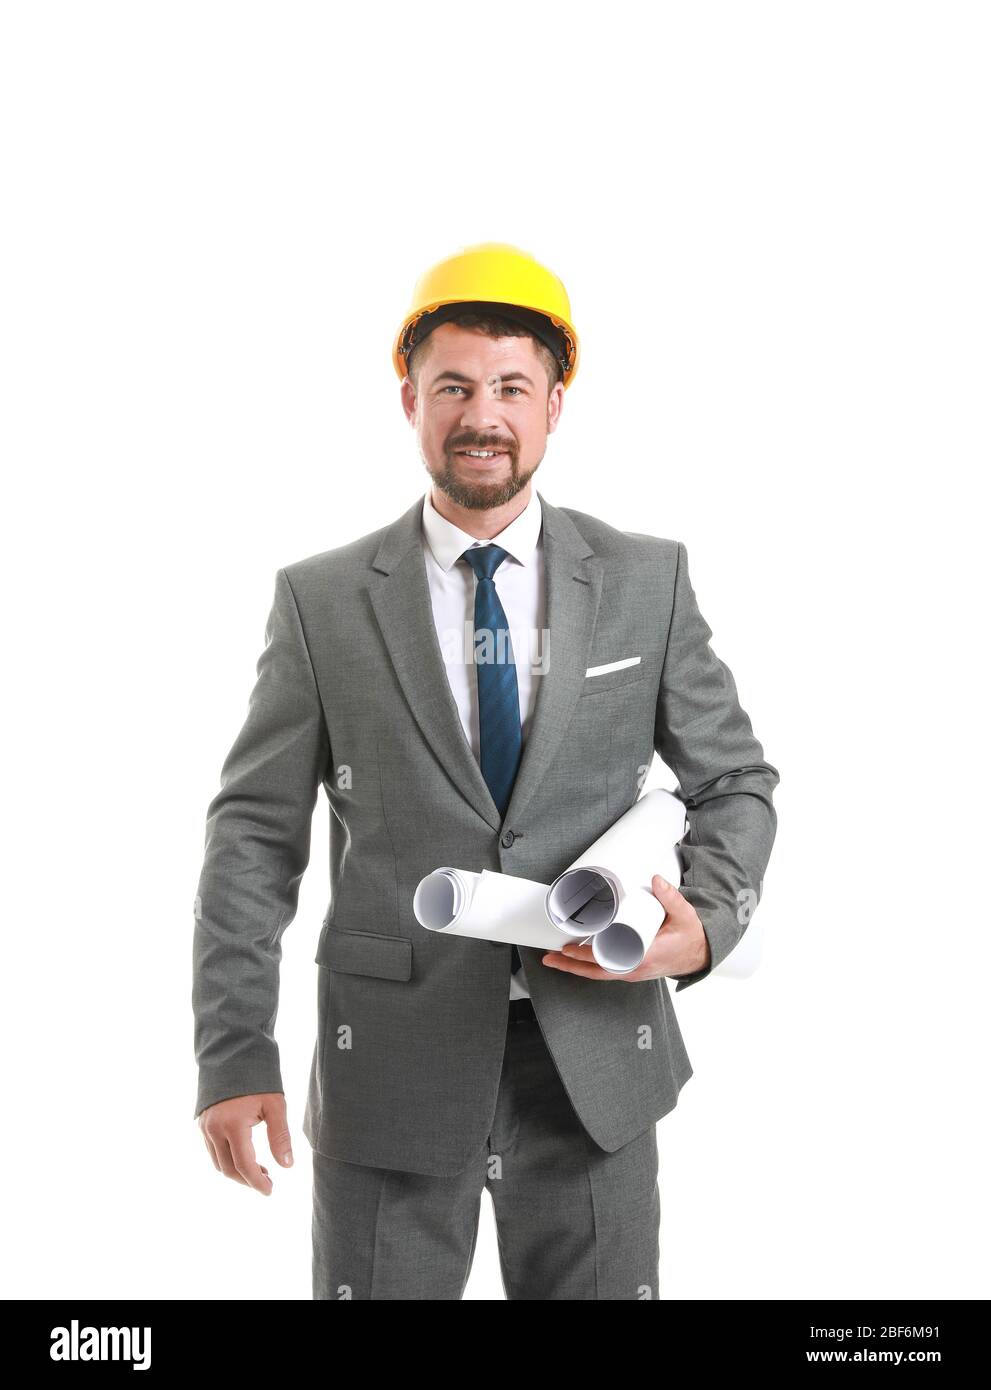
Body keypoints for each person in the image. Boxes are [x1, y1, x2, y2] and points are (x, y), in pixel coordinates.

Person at [191, 241, 780, 1300]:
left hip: (593, 1062)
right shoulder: (321, 601)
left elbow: (733, 778)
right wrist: (233, 1055)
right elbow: (253, 836)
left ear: (555, 404)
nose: (483, 414)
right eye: (453, 386)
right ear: (408, 400)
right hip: (391, 1066)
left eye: (511, 387)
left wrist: (708, 919)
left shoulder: (646, 581)